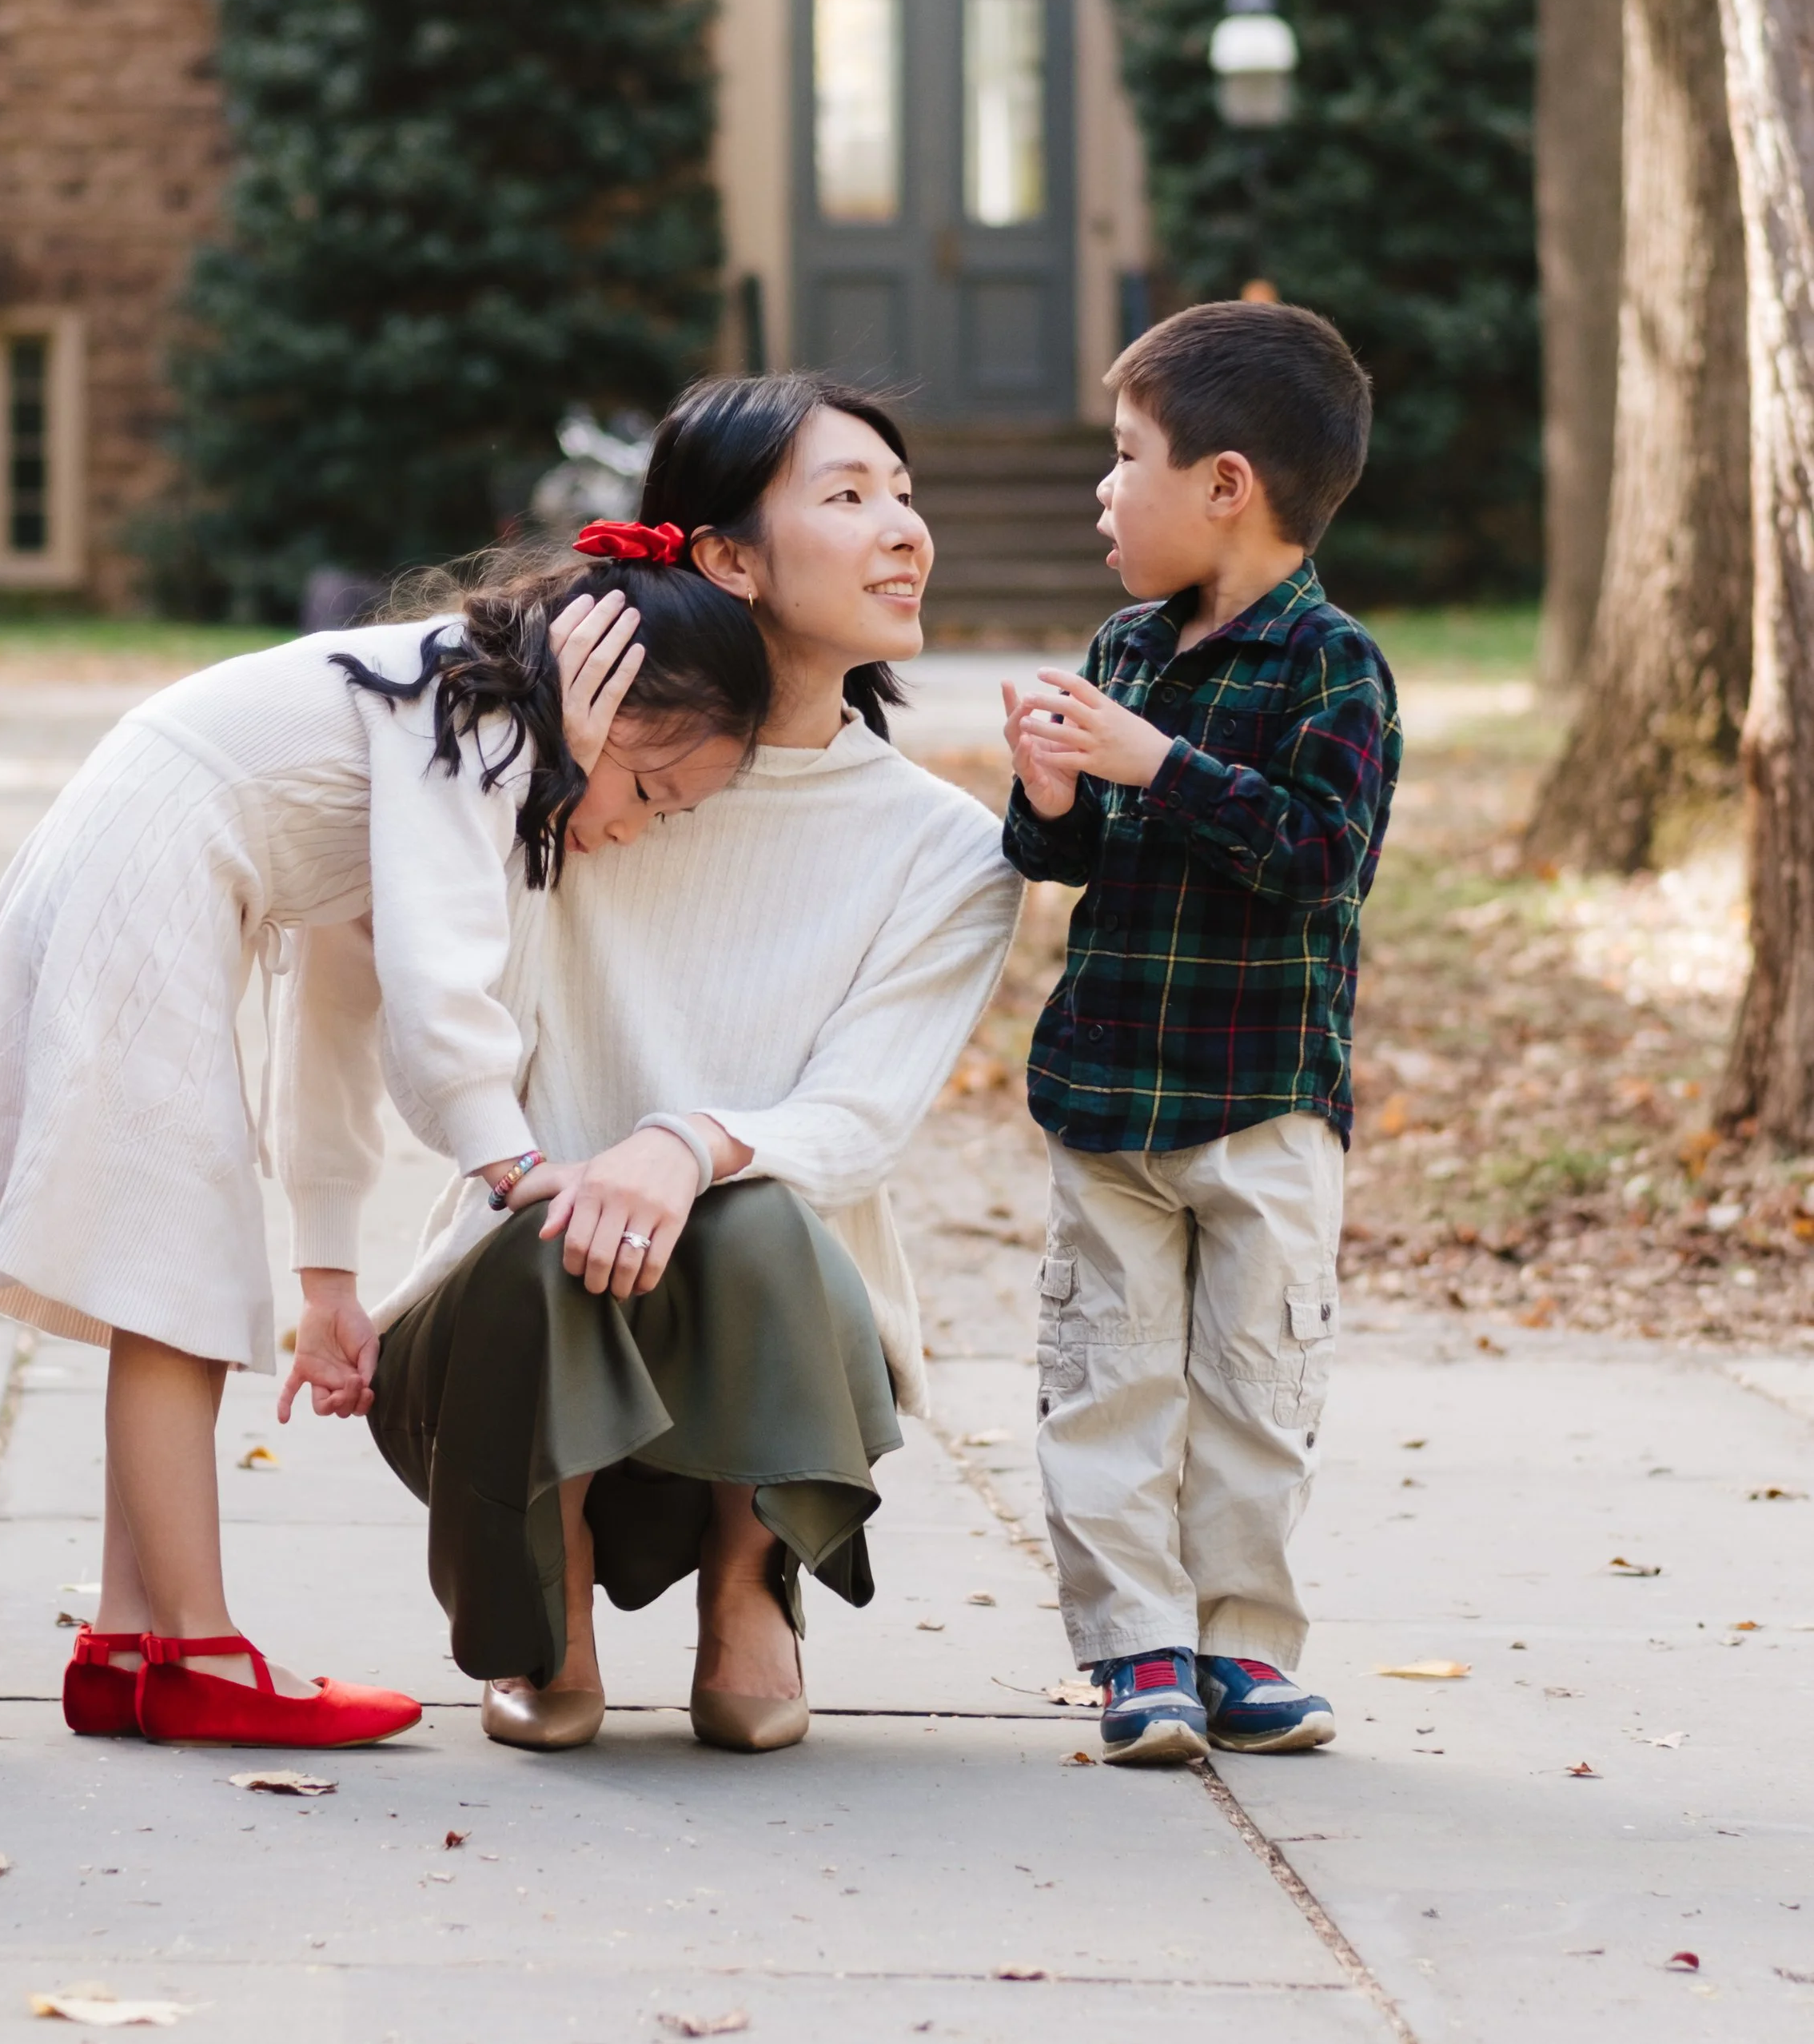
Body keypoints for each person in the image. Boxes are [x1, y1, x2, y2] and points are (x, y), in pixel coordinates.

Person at [0, 544, 771, 1749]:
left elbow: (335, 1005)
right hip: (149, 871)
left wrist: (326, 1274)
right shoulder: (478, 719)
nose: (637, 830)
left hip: (140, 859)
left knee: (174, 1268)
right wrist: (514, 1164)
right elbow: (435, 979)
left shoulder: (452, 715)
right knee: (173, 1279)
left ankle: (128, 1639)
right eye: (654, 792)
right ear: (605, 707)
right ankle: (193, 1649)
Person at [306, 374, 1022, 1754]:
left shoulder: (943, 845)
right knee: (550, 1226)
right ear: (726, 557)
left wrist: (682, 1144)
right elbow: (443, 1021)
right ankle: (549, 1602)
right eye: (850, 495)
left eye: (905, 492)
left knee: (750, 1211)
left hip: (780, 1353)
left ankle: (754, 1591)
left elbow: (859, 1122)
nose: (905, 529)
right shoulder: (580, 776)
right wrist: (547, 793)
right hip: (519, 1337)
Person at [1000, 301, 1401, 1765]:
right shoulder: (1127, 644)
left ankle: (1243, 1646)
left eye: (1126, 461)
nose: (1103, 494)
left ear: (1225, 484)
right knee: (1109, 1375)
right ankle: (1137, 1651)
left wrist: (1158, 762)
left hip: (1265, 1099)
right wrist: (1051, 791)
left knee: (1253, 1383)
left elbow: (1318, 855)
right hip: (1109, 1090)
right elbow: (1067, 862)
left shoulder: (1331, 666)